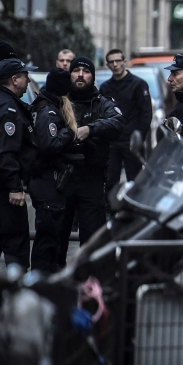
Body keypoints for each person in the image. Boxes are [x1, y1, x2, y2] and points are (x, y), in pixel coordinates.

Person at [62, 57, 123, 247]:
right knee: (56, 239)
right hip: (62, 179)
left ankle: (89, 277)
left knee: (93, 240)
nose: (80, 75)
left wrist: (91, 129)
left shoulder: (102, 103)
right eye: (76, 70)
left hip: (92, 180)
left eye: (86, 71)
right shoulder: (59, 102)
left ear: (93, 76)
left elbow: (117, 122)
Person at [0, 58, 37, 273]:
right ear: (14, 79)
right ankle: (15, 297)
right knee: (15, 245)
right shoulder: (8, 108)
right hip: (2, 189)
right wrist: (15, 187)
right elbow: (4, 151)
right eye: (25, 76)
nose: (28, 80)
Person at [28, 69, 78, 273]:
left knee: (50, 236)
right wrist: (68, 132)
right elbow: (49, 145)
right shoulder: (48, 111)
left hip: (46, 182)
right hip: (47, 182)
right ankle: (41, 284)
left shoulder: (44, 105)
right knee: (47, 238)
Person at [99, 49, 152, 186]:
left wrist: (140, 136)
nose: (115, 65)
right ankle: (111, 207)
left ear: (124, 62)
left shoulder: (138, 84)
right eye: (111, 62)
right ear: (108, 65)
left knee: (135, 182)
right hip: (112, 142)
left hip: (132, 141)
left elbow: (146, 113)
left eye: (118, 61)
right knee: (110, 182)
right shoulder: (105, 88)